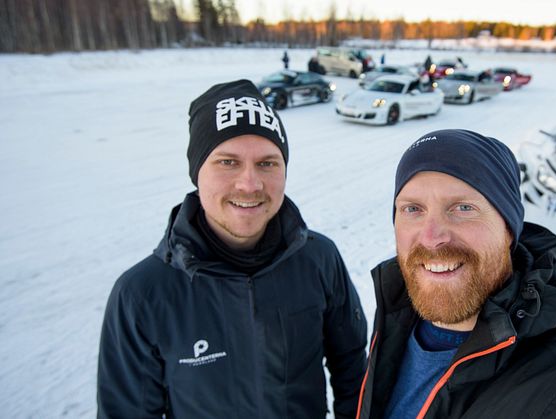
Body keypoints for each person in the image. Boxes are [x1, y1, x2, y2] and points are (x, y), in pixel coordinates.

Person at [97, 79, 367, 418]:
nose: (250, 184)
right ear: (197, 173)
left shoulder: (318, 259)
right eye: (228, 162)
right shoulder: (142, 294)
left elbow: (354, 370)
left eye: (267, 163)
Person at [355, 129, 556, 418]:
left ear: (508, 229)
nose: (432, 236)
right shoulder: (396, 317)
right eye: (412, 209)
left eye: (463, 208)